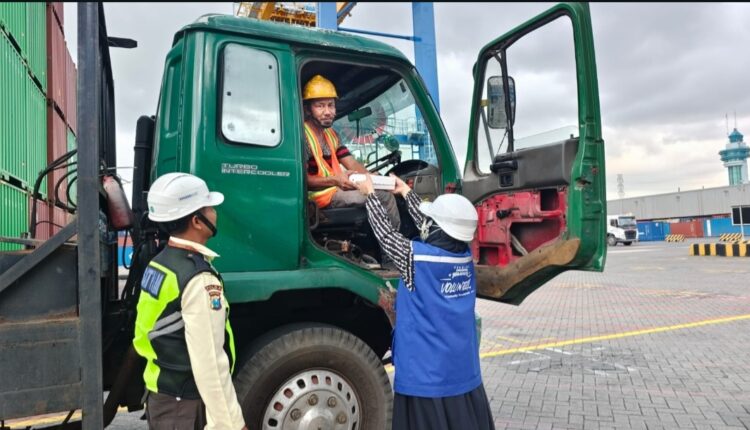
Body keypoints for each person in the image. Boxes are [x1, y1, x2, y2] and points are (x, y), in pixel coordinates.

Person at [355, 174, 495, 430]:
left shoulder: (415, 259)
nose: (426, 224)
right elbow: (434, 227)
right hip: (461, 373)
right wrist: (406, 192)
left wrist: (371, 196)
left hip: (427, 377)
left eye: (431, 221)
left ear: (437, 228)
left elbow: (386, 236)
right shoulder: (463, 256)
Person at [133, 172, 247, 430]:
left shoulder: (160, 263)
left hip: (162, 395)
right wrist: (231, 423)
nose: (215, 212)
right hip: (184, 405)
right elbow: (209, 363)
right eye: (210, 207)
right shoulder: (197, 279)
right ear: (197, 221)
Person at [301, 74, 401, 232]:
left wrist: (370, 177)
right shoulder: (302, 136)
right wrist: (335, 180)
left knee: (381, 190)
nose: (327, 112)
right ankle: (393, 244)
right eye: (320, 106)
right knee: (384, 197)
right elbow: (302, 180)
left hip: (336, 189)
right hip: (319, 197)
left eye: (331, 105)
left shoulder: (332, 135)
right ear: (308, 109)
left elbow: (351, 163)